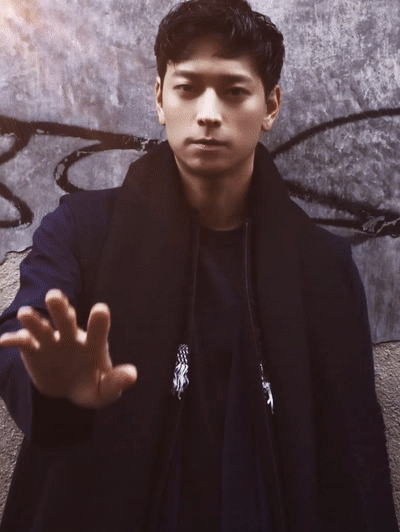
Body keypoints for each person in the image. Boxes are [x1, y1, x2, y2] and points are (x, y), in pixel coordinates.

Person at [0, 0, 397, 530]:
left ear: (271, 105)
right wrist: (53, 387)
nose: (208, 113)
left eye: (233, 91)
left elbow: (356, 455)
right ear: (160, 98)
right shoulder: (83, 229)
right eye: (188, 88)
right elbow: (22, 334)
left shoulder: (323, 266)